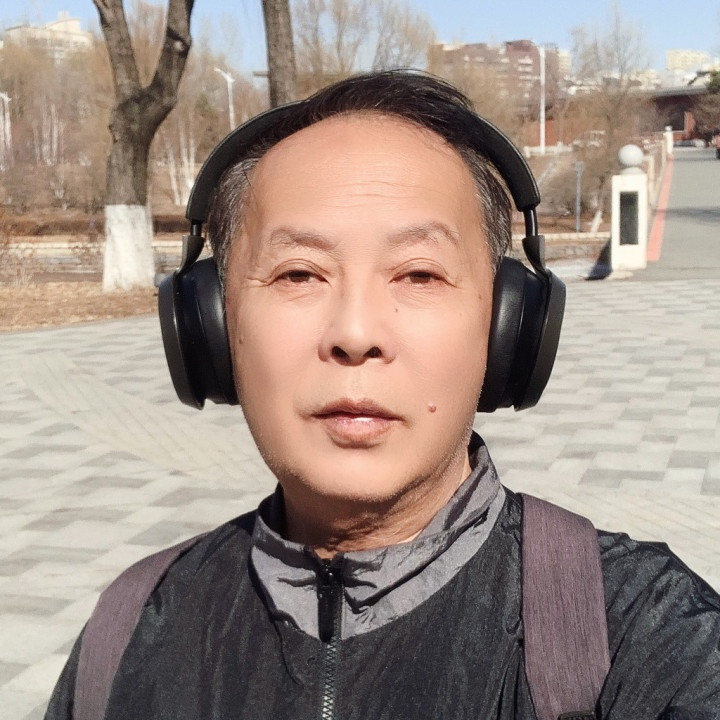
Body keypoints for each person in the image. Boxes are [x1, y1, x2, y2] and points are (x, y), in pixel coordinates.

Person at [45, 71, 720, 720]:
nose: (355, 334)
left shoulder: (645, 636)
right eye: (299, 274)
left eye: (419, 275)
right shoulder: (129, 629)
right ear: (213, 325)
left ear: (508, 325)